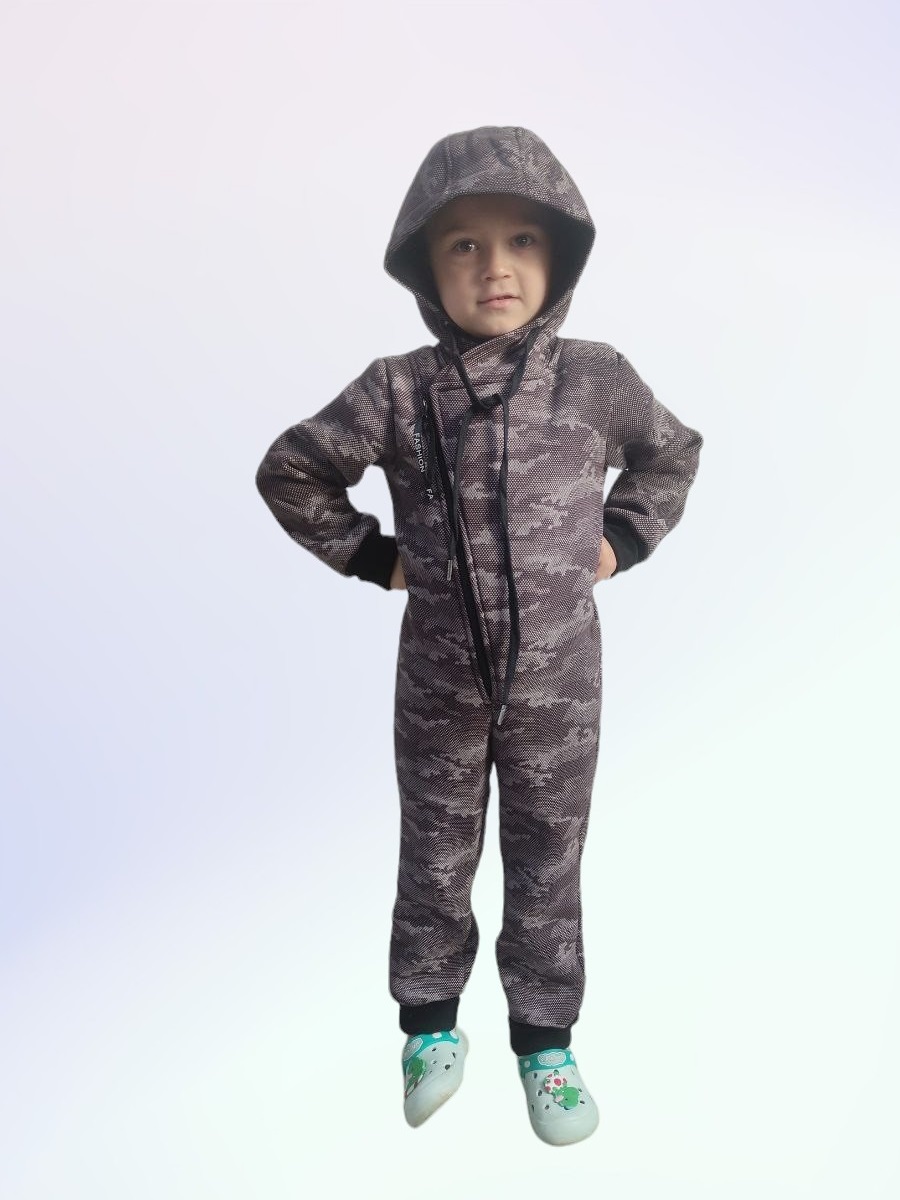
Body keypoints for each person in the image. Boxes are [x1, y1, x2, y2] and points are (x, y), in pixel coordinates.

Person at [255, 125, 703, 1145]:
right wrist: (373, 556)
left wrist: (622, 539)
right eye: (463, 244)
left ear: (560, 255)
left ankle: (547, 1045)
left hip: (560, 687)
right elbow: (292, 469)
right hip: (440, 685)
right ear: (425, 264)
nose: (495, 267)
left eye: (520, 241)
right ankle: (428, 1029)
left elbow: (671, 455)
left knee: (549, 856)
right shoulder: (398, 389)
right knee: (435, 853)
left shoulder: (596, 379)